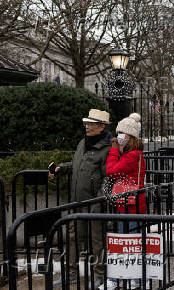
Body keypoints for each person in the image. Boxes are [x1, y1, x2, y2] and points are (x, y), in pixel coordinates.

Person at [49, 109, 112, 287]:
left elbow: (108, 178)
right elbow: (77, 164)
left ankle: (99, 274)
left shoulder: (108, 148)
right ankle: (71, 273)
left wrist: (98, 201)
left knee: (97, 240)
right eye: (87, 123)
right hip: (77, 201)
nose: (87, 126)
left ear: (101, 126)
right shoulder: (83, 143)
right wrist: (63, 168)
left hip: (94, 203)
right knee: (72, 238)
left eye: (91, 123)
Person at [100, 113, 146, 290]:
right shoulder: (131, 154)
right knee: (127, 241)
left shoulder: (132, 155)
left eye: (122, 134)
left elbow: (111, 171)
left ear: (130, 137)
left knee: (128, 242)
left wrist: (113, 150)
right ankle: (130, 277)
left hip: (131, 205)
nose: (118, 137)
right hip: (127, 203)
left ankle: (128, 277)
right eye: (117, 133)